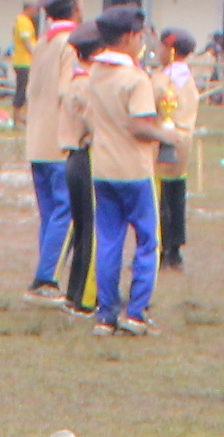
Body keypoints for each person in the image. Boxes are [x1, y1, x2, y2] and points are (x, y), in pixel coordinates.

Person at [77, 7, 176, 332]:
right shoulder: (136, 78)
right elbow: (139, 125)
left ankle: (105, 314)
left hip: (103, 169)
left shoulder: (95, 72)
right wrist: (165, 136)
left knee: (108, 241)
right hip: (134, 170)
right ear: (130, 36)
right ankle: (136, 312)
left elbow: (89, 118)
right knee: (148, 241)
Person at [24, 0, 82, 300]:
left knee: (49, 213)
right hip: (60, 141)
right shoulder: (70, 44)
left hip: (36, 140)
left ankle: (45, 272)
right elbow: (67, 92)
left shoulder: (41, 44)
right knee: (66, 210)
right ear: (74, 8)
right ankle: (47, 278)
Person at [153, 30, 196, 259]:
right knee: (177, 192)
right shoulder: (188, 78)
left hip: (163, 140)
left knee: (161, 195)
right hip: (184, 140)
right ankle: (176, 248)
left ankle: (162, 244)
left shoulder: (162, 80)